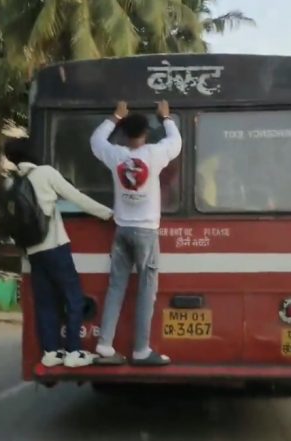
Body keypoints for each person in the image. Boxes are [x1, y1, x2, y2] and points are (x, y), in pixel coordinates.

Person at [4, 137, 113, 368]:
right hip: (55, 246)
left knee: (45, 301)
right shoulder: (45, 173)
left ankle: (51, 351)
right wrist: (108, 213)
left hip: (33, 251)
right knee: (73, 297)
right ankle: (74, 350)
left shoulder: (12, 182)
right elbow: (77, 197)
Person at [89, 100, 182, 366]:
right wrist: (166, 117)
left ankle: (105, 345)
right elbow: (176, 142)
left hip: (122, 230)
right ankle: (141, 349)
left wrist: (115, 115)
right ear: (145, 133)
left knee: (116, 286)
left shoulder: (116, 155)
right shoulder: (154, 154)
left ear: (125, 133)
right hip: (146, 233)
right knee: (146, 290)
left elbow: (96, 140)